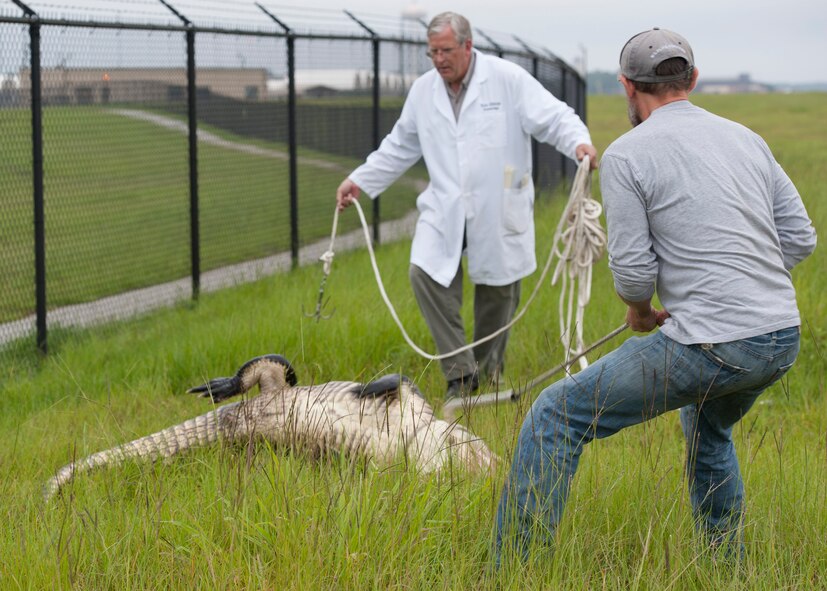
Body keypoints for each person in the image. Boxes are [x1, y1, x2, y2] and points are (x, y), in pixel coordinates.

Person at [494, 27, 817, 562]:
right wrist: (743, 280)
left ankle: (513, 569)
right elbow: (801, 237)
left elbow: (634, 275)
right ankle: (725, 566)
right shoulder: (747, 137)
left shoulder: (625, 155)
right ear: (692, 79)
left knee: (553, 415)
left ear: (626, 86)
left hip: (716, 344)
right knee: (707, 429)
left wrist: (640, 311)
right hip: (782, 337)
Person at [336, 12, 597, 400]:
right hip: (446, 207)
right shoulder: (424, 91)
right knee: (423, 273)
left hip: (499, 203)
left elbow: (553, 116)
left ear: (467, 46)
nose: (439, 59)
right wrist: (360, 180)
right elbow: (399, 145)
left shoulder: (505, 79)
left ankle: (488, 377)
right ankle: (461, 375)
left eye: (445, 50)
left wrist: (579, 143)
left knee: (499, 291)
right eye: (432, 53)